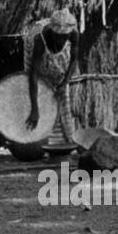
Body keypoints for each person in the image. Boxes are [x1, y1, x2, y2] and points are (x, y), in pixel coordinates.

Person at [24, 8, 79, 146]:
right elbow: (33, 74)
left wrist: (64, 84)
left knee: (63, 101)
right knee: (39, 100)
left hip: (57, 68)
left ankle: (68, 141)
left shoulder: (73, 34)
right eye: (58, 36)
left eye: (64, 36)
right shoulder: (39, 39)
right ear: (52, 32)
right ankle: (39, 141)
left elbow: (73, 61)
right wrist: (35, 109)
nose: (61, 39)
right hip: (38, 68)